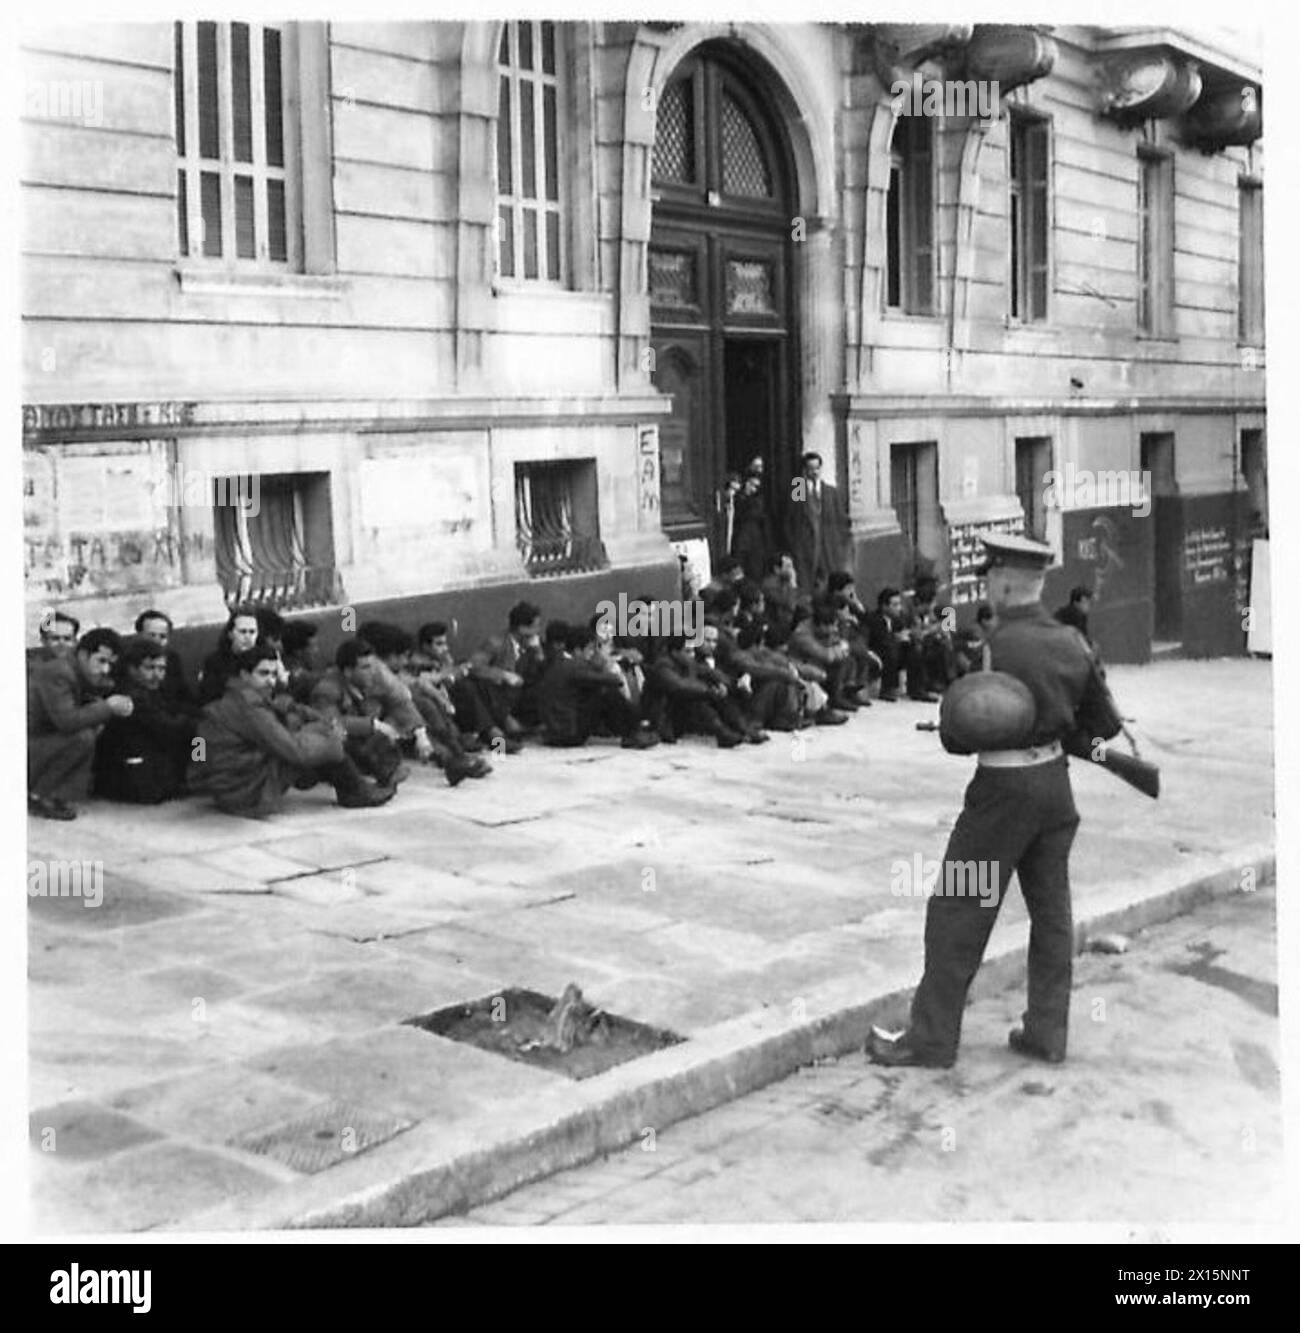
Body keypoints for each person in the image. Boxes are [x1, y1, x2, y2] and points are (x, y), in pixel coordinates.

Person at [867, 533, 1111, 1069]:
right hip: (1055, 788)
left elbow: (962, 733)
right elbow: (1105, 725)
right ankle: (1047, 1032)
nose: (988, 588)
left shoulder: (998, 645)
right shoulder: (1073, 641)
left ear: (1002, 583)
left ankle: (931, 1040)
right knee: (1052, 917)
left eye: (989, 580)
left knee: (957, 908)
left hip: (1003, 796)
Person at [193, 644, 393, 817]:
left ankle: (358, 785)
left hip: (230, 786)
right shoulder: (248, 706)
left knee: (313, 731)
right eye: (263, 674)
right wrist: (330, 737)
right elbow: (294, 751)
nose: (271, 681)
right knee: (319, 741)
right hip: (242, 792)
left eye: (273, 674)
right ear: (245, 675)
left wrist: (323, 726)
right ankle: (356, 790)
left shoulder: (242, 697)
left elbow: (290, 710)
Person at [28, 627, 132, 820]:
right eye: (101, 661)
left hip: (41, 743)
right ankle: (39, 795)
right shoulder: (58, 672)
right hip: (29, 746)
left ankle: (57, 794)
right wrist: (107, 707)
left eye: (110, 664)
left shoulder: (76, 670)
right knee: (82, 737)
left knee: (91, 729)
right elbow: (66, 721)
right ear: (83, 654)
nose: (105, 669)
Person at [309, 639, 425, 787]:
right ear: (348, 671)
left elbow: (400, 703)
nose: (372, 672)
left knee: (406, 715)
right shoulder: (327, 688)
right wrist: (374, 725)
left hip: (367, 735)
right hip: (342, 742)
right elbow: (330, 721)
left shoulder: (376, 678)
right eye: (365, 668)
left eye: (372, 666)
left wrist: (420, 733)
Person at [93, 635, 194, 804]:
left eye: (161, 669)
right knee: (200, 738)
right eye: (150, 668)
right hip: (133, 778)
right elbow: (168, 727)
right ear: (132, 669)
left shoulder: (148, 690)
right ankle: (199, 774)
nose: (157, 675)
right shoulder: (130, 696)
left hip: (143, 765)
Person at [537, 623, 659, 749]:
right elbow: (614, 680)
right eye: (590, 649)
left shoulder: (560, 662)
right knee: (607, 693)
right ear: (578, 650)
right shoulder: (574, 666)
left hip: (554, 732)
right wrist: (602, 665)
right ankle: (632, 733)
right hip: (569, 734)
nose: (592, 653)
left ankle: (633, 729)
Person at [469, 600, 547, 743]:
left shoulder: (533, 645)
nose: (538, 631)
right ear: (522, 628)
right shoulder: (496, 643)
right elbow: (474, 667)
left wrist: (538, 653)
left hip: (521, 697)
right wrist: (503, 675)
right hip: (500, 697)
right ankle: (503, 731)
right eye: (535, 627)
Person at [785, 451, 848, 602]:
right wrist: (794, 544)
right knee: (806, 586)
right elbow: (791, 518)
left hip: (828, 547)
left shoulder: (830, 491)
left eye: (817, 468)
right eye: (810, 468)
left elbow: (840, 520)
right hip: (805, 547)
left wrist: (838, 543)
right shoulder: (798, 488)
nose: (814, 472)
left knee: (830, 585)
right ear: (804, 470)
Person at [134, 608, 199, 714]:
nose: (156, 641)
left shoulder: (172, 659)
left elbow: (184, 694)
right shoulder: (128, 663)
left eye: (162, 637)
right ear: (139, 635)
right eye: (151, 635)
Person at [198, 604, 262, 705]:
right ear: (230, 634)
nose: (248, 637)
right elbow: (209, 699)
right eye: (243, 632)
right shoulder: (214, 662)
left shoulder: (264, 659)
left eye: (252, 632)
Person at [730, 464, 771, 581]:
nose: (752, 489)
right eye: (750, 484)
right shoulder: (737, 498)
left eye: (756, 487)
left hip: (753, 544)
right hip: (741, 541)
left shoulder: (758, 502)